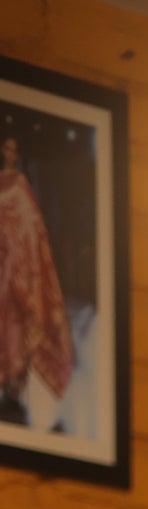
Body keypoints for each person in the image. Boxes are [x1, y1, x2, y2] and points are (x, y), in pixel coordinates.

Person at [0, 135, 73, 430]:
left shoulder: (19, 185)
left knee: (16, 327)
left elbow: (32, 227)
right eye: (6, 149)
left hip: (16, 268)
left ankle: (14, 389)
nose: (10, 154)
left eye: (14, 150)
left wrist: (23, 264)